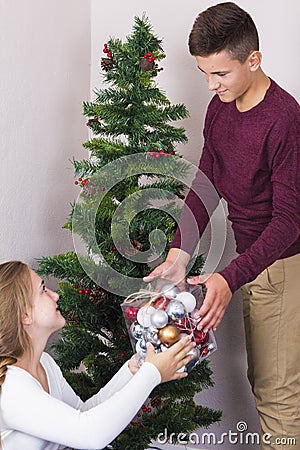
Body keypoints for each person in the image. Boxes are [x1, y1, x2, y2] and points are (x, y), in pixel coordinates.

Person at [144, 2, 300, 449]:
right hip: (251, 263)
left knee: (278, 397)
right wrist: (178, 253)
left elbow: (289, 222)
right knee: (264, 381)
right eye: (204, 74)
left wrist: (229, 279)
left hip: (282, 267)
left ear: (254, 60)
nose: (212, 86)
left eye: (221, 74)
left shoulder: (285, 119)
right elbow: (206, 180)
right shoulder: (220, 109)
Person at [0, 261, 195, 449]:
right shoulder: (11, 387)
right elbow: (90, 435)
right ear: (25, 315)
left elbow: (83, 413)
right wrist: (152, 373)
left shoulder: (44, 363)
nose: (55, 295)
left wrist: (133, 369)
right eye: (43, 290)